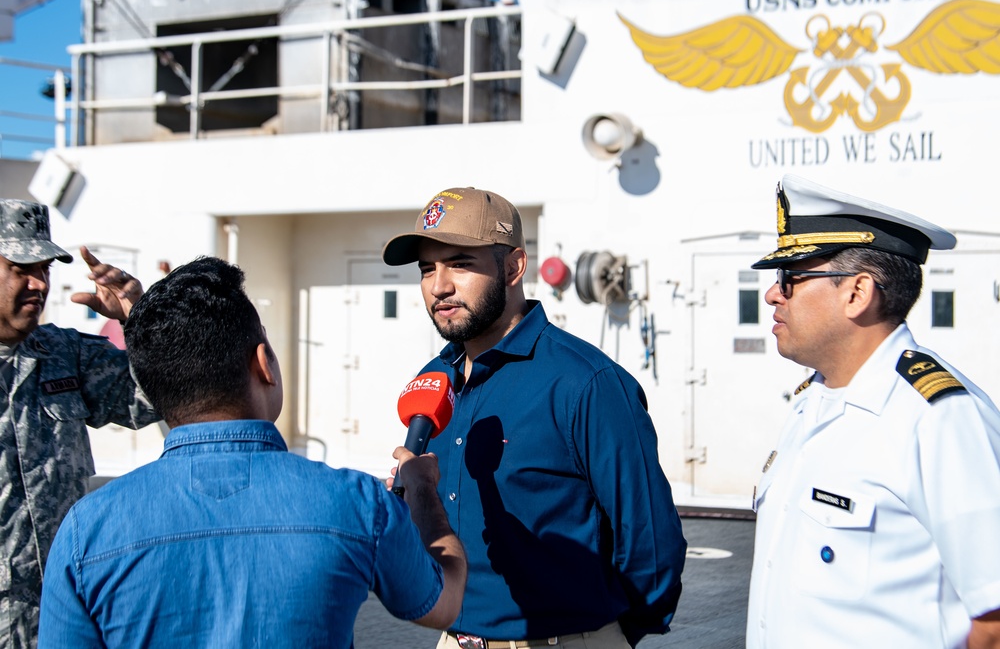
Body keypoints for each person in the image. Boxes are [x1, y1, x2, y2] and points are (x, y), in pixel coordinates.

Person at [37, 256, 466, 648]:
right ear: (264, 363)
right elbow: (442, 602)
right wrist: (423, 491)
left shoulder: (85, 530)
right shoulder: (356, 502)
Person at [382, 187, 686, 649]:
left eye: (460, 263)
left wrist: (604, 635)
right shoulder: (433, 379)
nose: (438, 285)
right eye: (428, 268)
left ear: (513, 267)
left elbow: (652, 541)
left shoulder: (586, 382)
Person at [746, 174, 1000, 648]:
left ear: (857, 293)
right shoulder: (812, 402)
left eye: (790, 278)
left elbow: (993, 621)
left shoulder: (939, 418)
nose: (772, 294)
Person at [0, 198, 160, 649]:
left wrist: (142, 318)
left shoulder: (64, 353)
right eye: (21, 267)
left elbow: (157, 397)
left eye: (45, 269)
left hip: (64, 613)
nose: (39, 283)